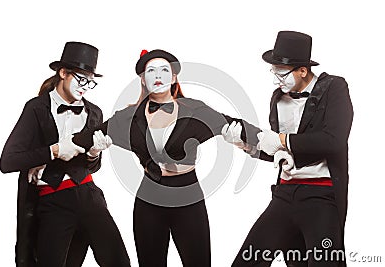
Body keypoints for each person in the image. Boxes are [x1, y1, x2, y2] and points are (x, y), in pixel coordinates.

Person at [72, 49, 263, 267]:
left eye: (165, 70)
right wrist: (84, 152)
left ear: (173, 78)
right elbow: (82, 141)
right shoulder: (127, 118)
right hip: (149, 198)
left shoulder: (195, 110)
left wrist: (279, 144)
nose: (158, 75)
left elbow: (243, 128)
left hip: (188, 196)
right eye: (151, 71)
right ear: (143, 79)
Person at [225, 31, 353, 266]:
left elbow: (333, 140)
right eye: (273, 72)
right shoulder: (278, 98)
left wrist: (283, 140)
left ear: (302, 70)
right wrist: (248, 146)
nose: (276, 80)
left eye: (281, 74)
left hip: (322, 197)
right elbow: (279, 151)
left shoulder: (335, 88)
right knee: (246, 261)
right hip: (284, 195)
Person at [0, 41, 131, 267]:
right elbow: (7, 161)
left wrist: (93, 154)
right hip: (52, 200)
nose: (85, 87)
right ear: (63, 73)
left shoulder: (94, 112)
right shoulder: (37, 108)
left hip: (89, 196)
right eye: (81, 79)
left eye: (90, 82)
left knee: (118, 261)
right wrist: (52, 152)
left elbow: (91, 167)